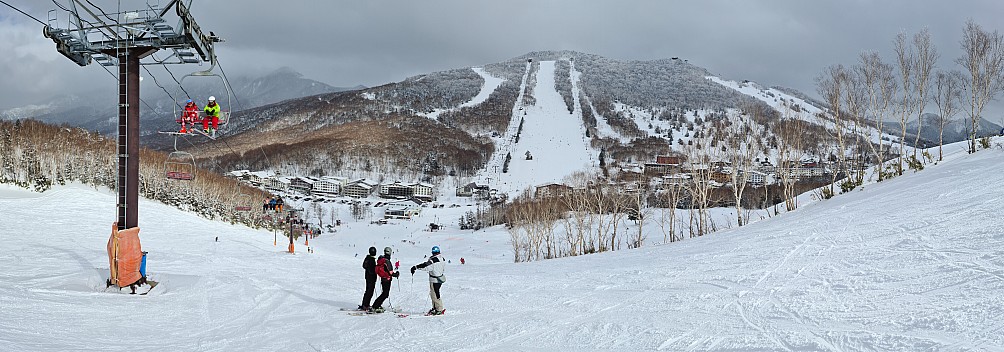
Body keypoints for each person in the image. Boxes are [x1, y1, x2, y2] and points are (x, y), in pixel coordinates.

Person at [411, 245, 446, 316]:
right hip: (440, 278)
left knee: (435, 294)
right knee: (435, 293)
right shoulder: (442, 258)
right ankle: (436, 307)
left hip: (434, 279)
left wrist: (416, 267)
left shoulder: (433, 261)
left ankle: (439, 309)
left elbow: (426, 266)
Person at [371, 247, 399, 313]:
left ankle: (377, 305)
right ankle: (375, 306)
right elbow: (390, 272)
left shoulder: (382, 259)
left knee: (384, 293)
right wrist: (396, 274)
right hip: (387, 279)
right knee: (385, 294)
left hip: (383, 278)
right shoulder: (387, 261)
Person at [358, 246, 378, 311]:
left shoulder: (367, 258)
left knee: (367, 291)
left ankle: (365, 304)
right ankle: (366, 305)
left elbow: (364, 266)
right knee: (370, 292)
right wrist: (376, 270)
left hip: (367, 277)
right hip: (371, 278)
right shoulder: (371, 260)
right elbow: (372, 270)